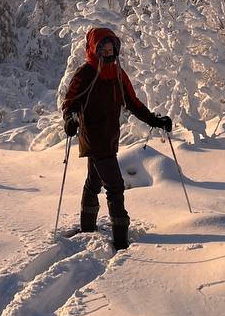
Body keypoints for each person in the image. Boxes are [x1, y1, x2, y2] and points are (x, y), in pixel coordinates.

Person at [61, 26, 172, 249]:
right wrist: (70, 119)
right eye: (103, 46)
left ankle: (88, 227)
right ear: (94, 48)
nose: (108, 50)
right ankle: (121, 240)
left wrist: (154, 120)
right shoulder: (86, 74)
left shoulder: (118, 74)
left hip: (110, 137)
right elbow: (70, 103)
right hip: (93, 136)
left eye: (111, 46)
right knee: (115, 186)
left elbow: (132, 102)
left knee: (93, 182)